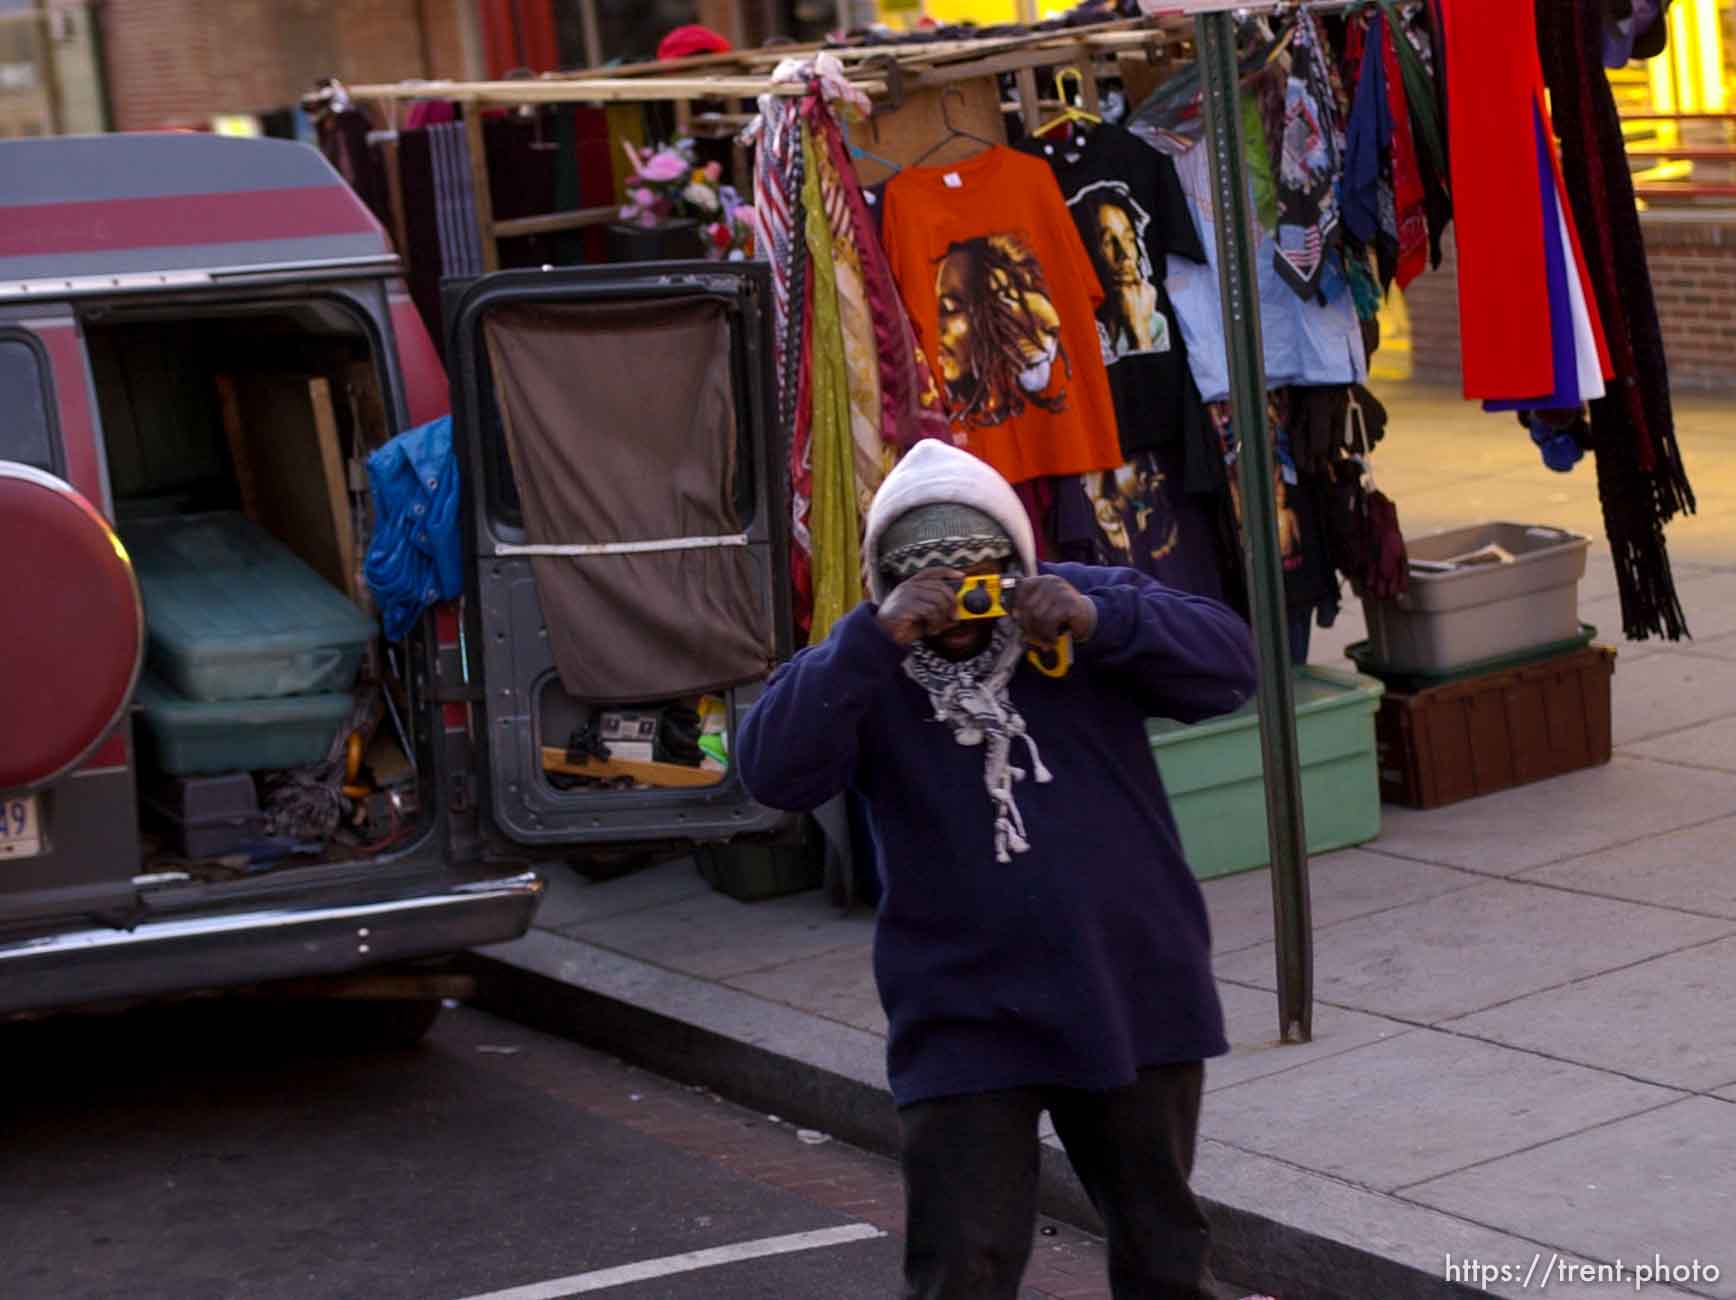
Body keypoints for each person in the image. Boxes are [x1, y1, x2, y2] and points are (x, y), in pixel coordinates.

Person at [736, 439, 1258, 1300]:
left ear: (1017, 558)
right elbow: (772, 772)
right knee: (961, 1268)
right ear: (888, 580)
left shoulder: (1085, 607)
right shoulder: (869, 660)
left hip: (1130, 984)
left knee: (1164, 1253)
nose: (964, 611)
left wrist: (1099, 620)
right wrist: (876, 641)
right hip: (964, 1011)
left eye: (981, 579)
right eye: (935, 588)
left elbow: (1230, 667)